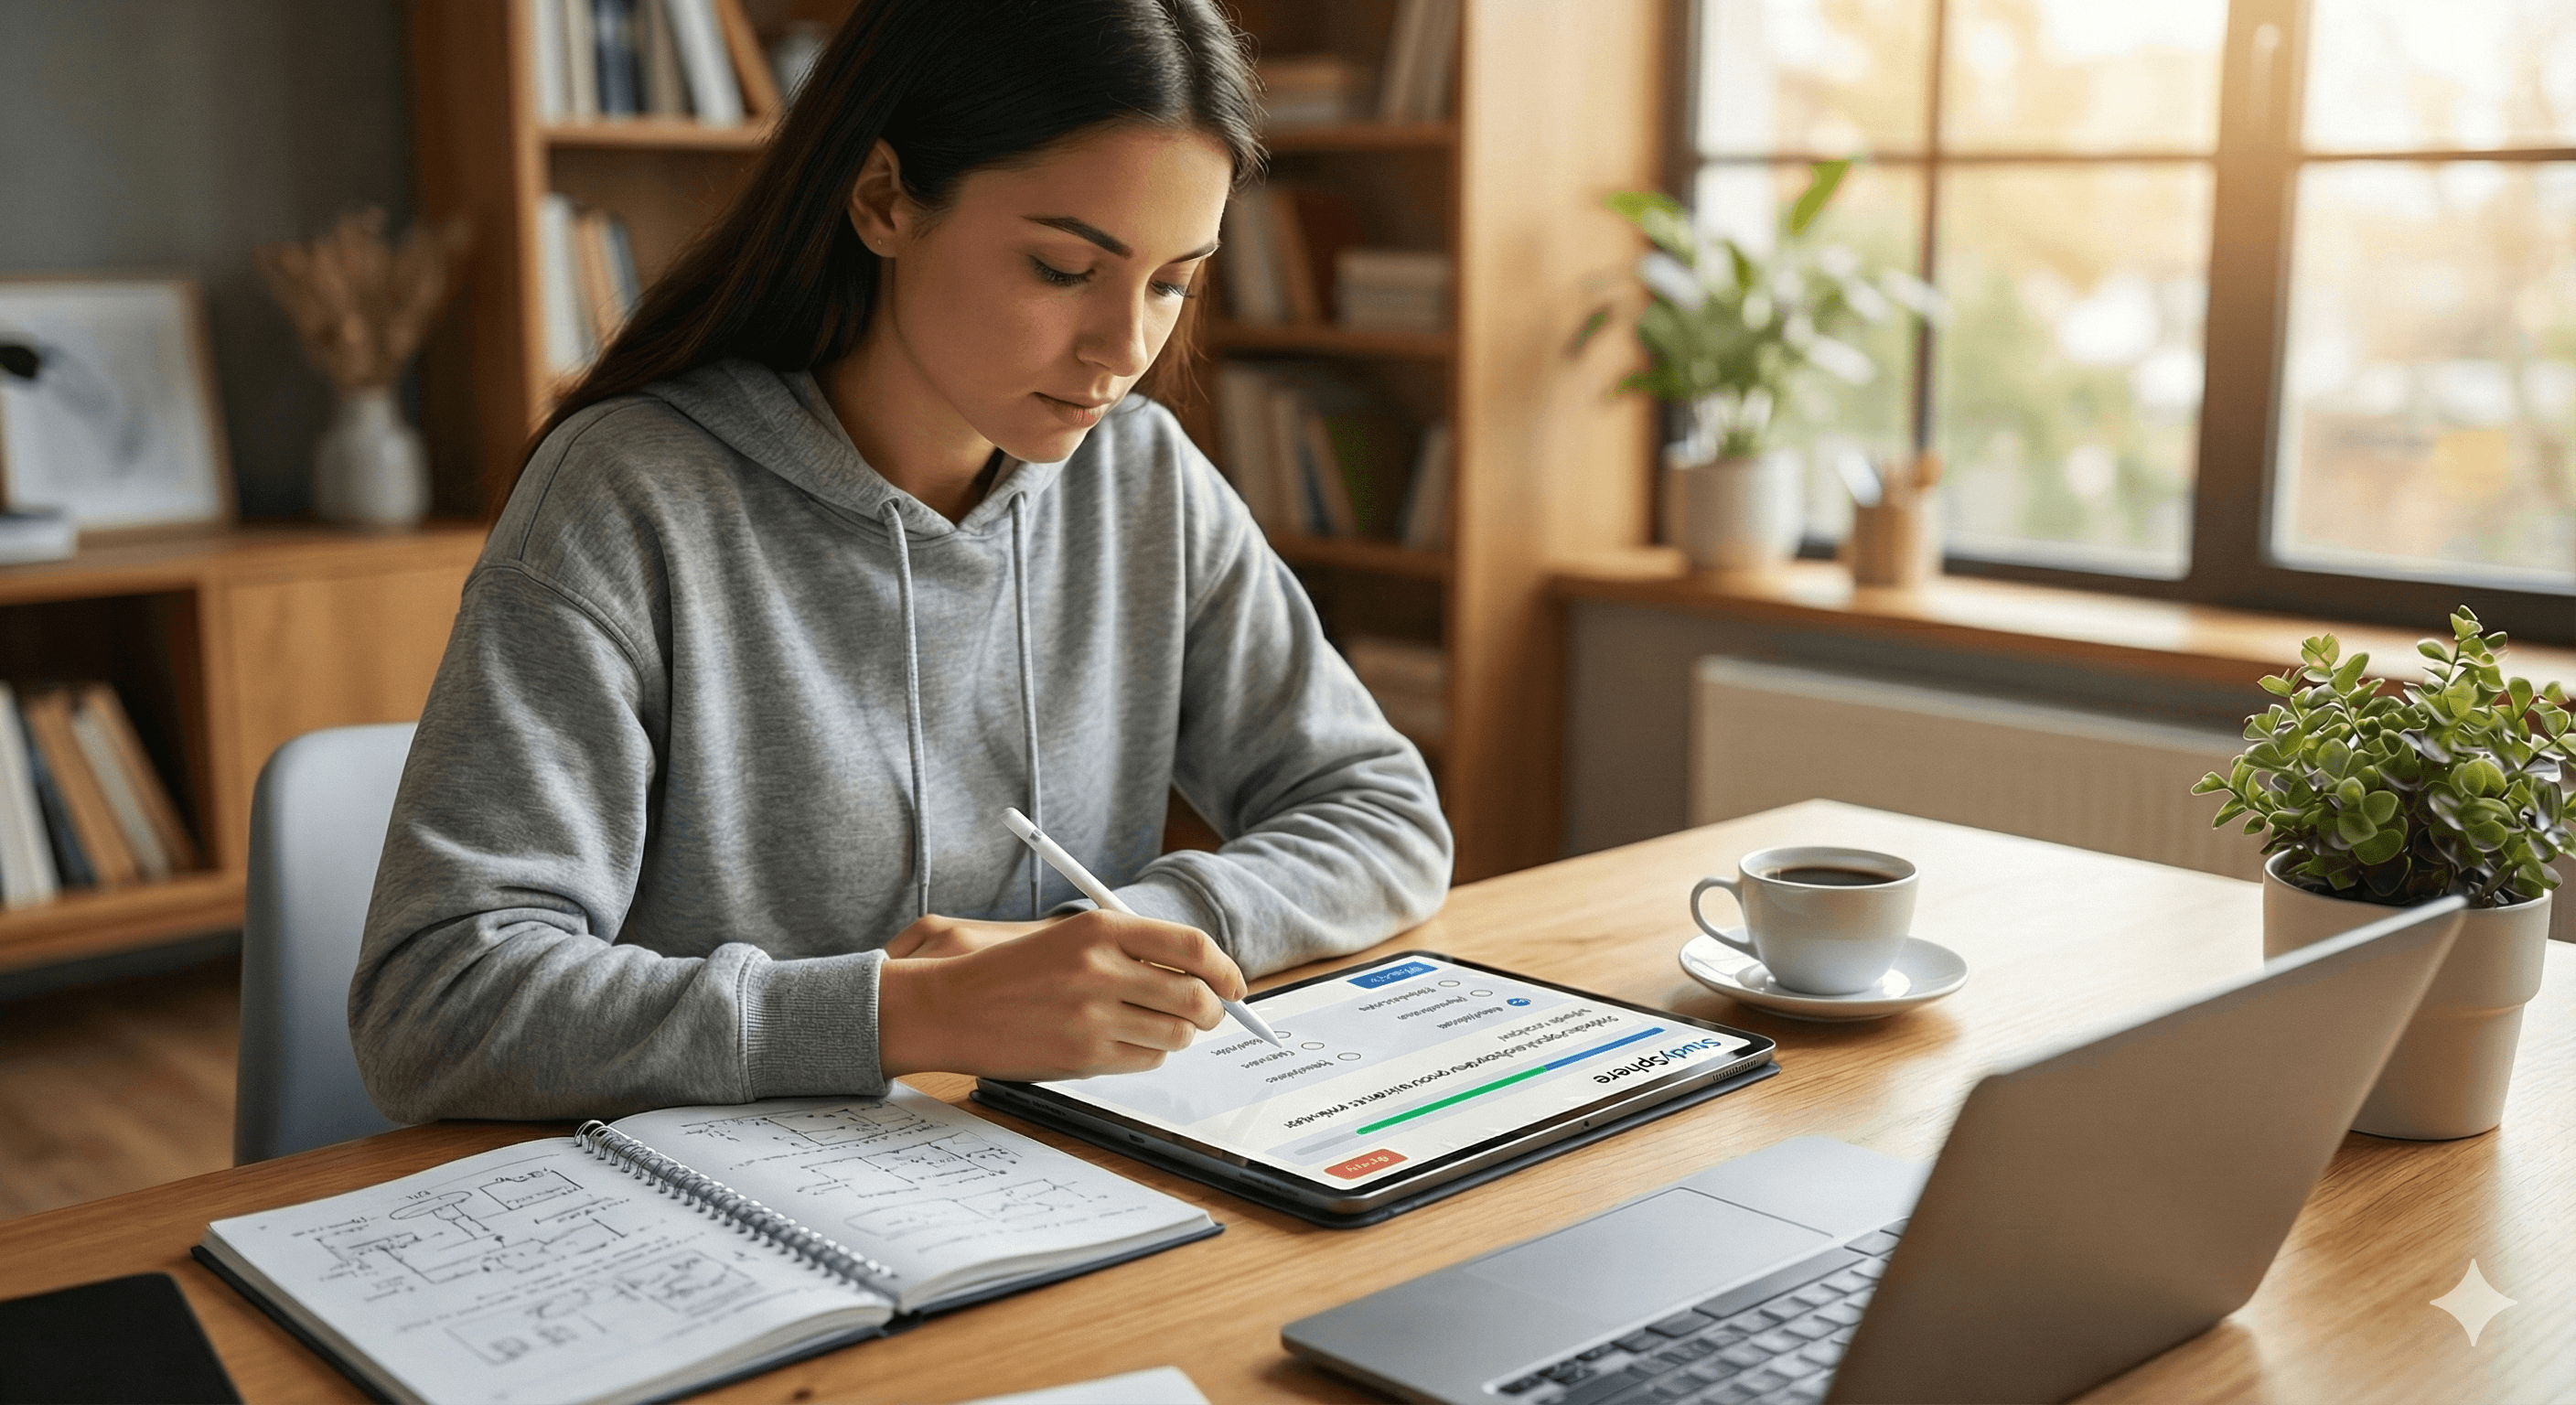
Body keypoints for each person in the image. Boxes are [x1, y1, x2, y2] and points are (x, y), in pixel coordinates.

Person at [349, 0, 1451, 1122]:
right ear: (883, 200)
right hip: (714, 1210)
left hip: (1045, 1176)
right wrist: (910, 1014)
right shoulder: (628, 496)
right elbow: (437, 1007)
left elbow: (1383, 816)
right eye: (1065, 267)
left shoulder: (1138, 479)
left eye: (1171, 282)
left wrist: (1115, 941)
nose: (1123, 351)